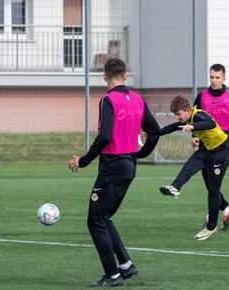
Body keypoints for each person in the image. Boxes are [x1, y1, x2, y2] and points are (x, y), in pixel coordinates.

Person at [68, 58, 160, 287]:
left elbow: (105, 136)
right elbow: (155, 131)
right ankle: (126, 266)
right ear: (126, 76)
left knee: (95, 221)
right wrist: (141, 154)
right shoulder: (138, 99)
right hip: (129, 166)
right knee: (103, 217)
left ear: (104, 77)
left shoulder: (107, 100)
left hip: (112, 168)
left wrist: (84, 160)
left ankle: (113, 275)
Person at [159, 95, 229, 241]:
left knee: (213, 190)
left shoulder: (198, 115)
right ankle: (174, 187)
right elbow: (172, 127)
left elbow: (209, 123)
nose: (177, 117)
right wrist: (155, 133)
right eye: (175, 114)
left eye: (179, 114)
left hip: (221, 152)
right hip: (207, 150)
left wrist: (193, 127)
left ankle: (211, 227)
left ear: (187, 110)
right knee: (189, 167)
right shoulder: (186, 119)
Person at [193, 63, 229, 231]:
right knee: (210, 184)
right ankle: (225, 209)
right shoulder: (201, 96)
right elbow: (193, 118)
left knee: (214, 185)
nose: (214, 80)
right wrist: (194, 136)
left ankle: (213, 215)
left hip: (223, 145)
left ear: (224, 78)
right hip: (205, 144)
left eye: (217, 77)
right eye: (211, 77)